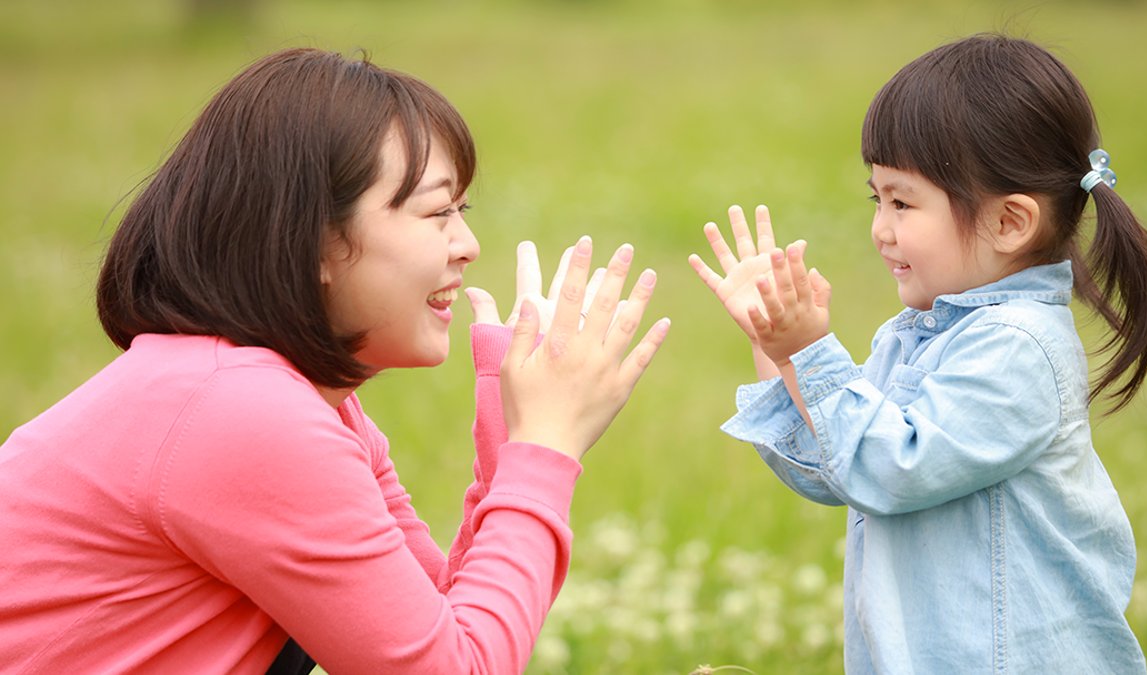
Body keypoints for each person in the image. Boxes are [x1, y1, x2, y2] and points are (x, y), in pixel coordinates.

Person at [0, 47, 669, 674]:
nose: (466, 243)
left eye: (462, 210)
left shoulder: (293, 403)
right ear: (315, 242)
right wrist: (545, 446)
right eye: (436, 212)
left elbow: (435, 620)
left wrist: (512, 430)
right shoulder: (244, 415)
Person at [690, 34, 1147, 674]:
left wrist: (811, 351)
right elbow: (837, 471)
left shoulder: (1018, 347)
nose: (881, 228)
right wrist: (777, 347)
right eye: (876, 198)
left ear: (1009, 223)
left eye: (903, 202)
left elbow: (891, 468)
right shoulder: (912, 334)